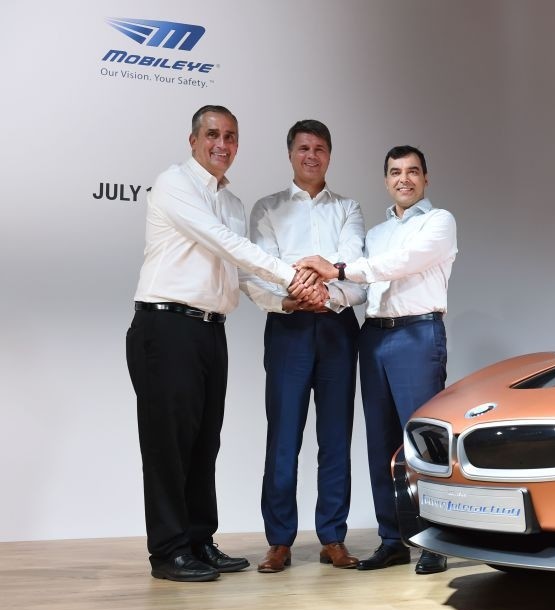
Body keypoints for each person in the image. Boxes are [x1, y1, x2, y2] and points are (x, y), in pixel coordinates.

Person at [126, 105, 323, 583]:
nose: (222, 144)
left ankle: (198, 540)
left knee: (203, 441)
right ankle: (168, 551)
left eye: (231, 137)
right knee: (168, 445)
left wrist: (286, 301)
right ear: (193, 140)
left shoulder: (233, 203)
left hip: (210, 330)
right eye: (213, 134)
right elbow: (224, 244)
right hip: (166, 325)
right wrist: (292, 273)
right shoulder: (174, 183)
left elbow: (237, 276)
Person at [296, 145, 456, 574]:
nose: (403, 179)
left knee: (422, 445)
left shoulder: (439, 222)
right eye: (395, 172)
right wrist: (319, 292)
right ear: (386, 180)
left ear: (425, 178)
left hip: (417, 335)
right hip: (375, 336)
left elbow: (403, 263)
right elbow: (364, 287)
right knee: (381, 445)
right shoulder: (378, 233)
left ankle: (434, 539)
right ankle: (393, 539)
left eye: (412, 172)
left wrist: (340, 268)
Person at [243, 120, 366, 573]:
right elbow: (259, 271)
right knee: (283, 438)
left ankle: (333, 536)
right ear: (290, 154)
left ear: (329, 155)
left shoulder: (349, 209)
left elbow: (354, 271)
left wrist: (326, 294)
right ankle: (279, 541)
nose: (311, 155)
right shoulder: (268, 209)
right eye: (302, 148)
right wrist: (293, 298)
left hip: (337, 331)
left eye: (319, 148)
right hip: (289, 328)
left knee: (335, 439)